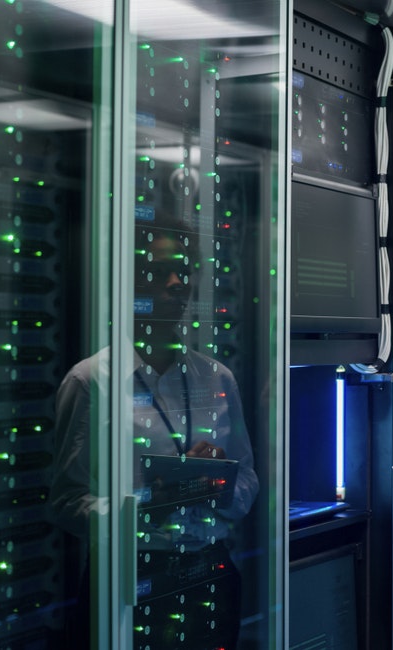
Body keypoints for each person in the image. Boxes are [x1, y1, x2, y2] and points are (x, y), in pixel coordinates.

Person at [50, 213, 259, 649]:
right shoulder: (92, 381)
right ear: (129, 282)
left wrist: (221, 480)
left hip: (211, 571)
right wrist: (149, 504)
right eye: (159, 271)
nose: (176, 282)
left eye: (184, 270)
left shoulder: (217, 377)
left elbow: (248, 483)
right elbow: (66, 503)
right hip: (131, 575)